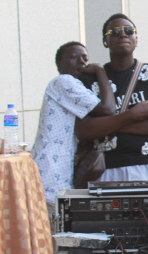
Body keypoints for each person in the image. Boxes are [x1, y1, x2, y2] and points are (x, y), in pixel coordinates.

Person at [77, 13, 148, 181]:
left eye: (129, 31)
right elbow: (84, 130)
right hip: (106, 168)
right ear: (105, 41)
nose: (123, 34)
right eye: (115, 32)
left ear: (136, 39)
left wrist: (109, 125)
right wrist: (132, 115)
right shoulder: (90, 79)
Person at [32, 42, 114, 216]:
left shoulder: (71, 85)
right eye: (74, 57)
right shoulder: (64, 81)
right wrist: (100, 71)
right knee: (54, 221)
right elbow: (108, 109)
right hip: (51, 169)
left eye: (85, 58)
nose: (81, 62)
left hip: (56, 167)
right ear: (59, 64)